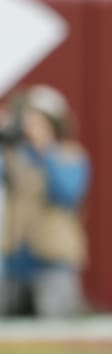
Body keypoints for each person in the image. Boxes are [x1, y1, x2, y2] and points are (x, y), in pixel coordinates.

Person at [0, 85, 91, 318]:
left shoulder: (70, 155)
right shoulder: (12, 157)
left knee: (54, 333)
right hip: (14, 262)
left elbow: (66, 195)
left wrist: (45, 150)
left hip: (53, 264)